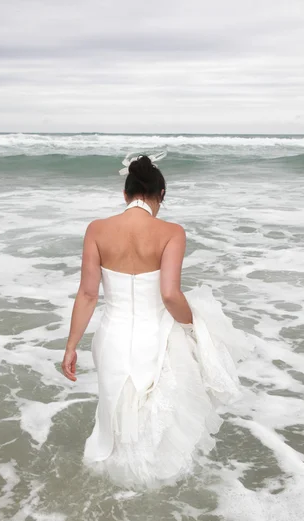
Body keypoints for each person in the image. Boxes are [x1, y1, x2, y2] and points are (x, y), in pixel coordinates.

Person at [61, 153, 254, 489]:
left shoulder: (96, 229)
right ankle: (151, 488)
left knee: (114, 412)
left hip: (112, 338)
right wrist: (195, 328)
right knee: (152, 418)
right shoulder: (171, 232)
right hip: (156, 337)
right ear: (161, 195)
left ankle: (111, 486)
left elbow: (88, 294)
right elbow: (169, 295)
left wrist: (71, 345)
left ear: (125, 194)